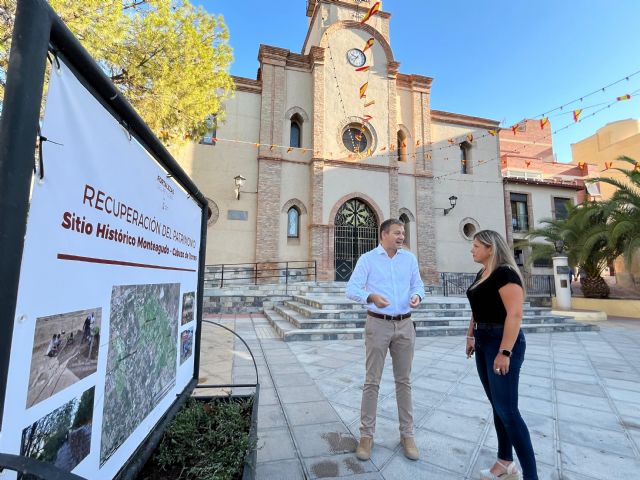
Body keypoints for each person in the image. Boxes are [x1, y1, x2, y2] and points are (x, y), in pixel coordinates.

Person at [346, 218, 425, 461]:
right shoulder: (368, 259)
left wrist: (417, 297)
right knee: (372, 381)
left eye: (403, 233)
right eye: (397, 233)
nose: (402, 237)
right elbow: (351, 289)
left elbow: (418, 285)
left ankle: (407, 435)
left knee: (404, 382)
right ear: (383, 235)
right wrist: (371, 297)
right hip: (377, 324)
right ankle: (366, 436)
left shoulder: (409, 259)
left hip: (404, 324)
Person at [465, 230, 538, 480]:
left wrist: (504, 351)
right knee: (498, 406)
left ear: (490, 248)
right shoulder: (482, 274)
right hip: (483, 341)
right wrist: (470, 335)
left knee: (508, 411)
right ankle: (504, 463)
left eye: (476, 246)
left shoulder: (505, 274)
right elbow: (477, 308)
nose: (472, 250)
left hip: (502, 342)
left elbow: (515, 315)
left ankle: (531, 475)